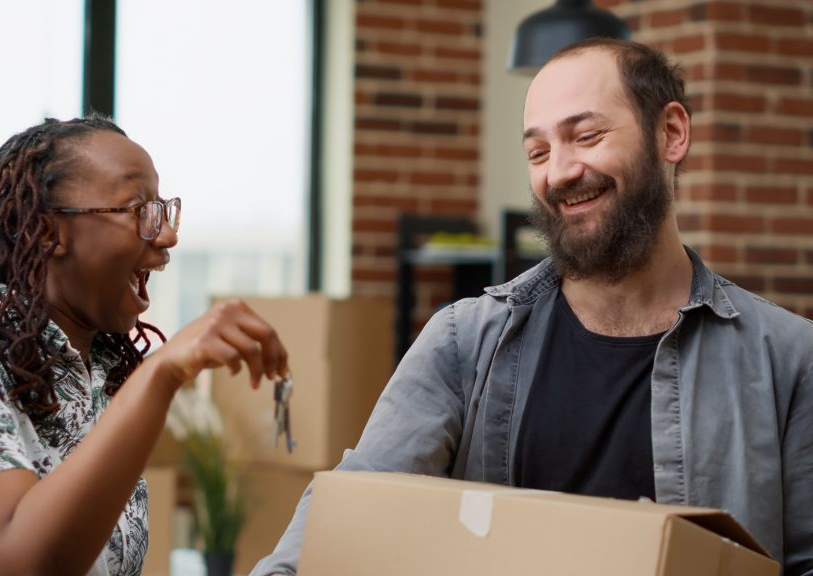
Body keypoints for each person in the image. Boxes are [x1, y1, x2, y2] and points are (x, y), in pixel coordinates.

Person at [253, 38, 812, 576]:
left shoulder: (789, 360)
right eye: (538, 152)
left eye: (586, 136)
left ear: (671, 132)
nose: (559, 172)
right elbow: (343, 523)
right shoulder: (463, 344)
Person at [0, 116, 291, 576]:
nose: (166, 236)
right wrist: (160, 374)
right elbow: (17, 558)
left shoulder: (102, 367)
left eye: (163, 210)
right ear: (48, 232)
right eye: (138, 209)